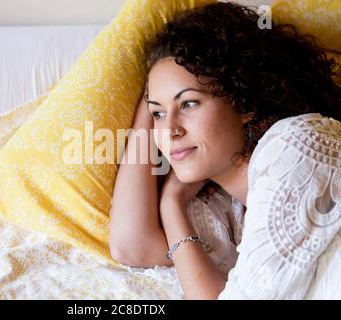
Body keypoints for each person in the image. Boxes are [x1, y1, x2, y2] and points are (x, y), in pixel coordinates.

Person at [109, 2, 341, 299]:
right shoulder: (224, 210)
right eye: (158, 114)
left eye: (189, 103)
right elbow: (131, 246)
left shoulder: (298, 145)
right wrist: (171, 204)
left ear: (243, 102)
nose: (169, 132)